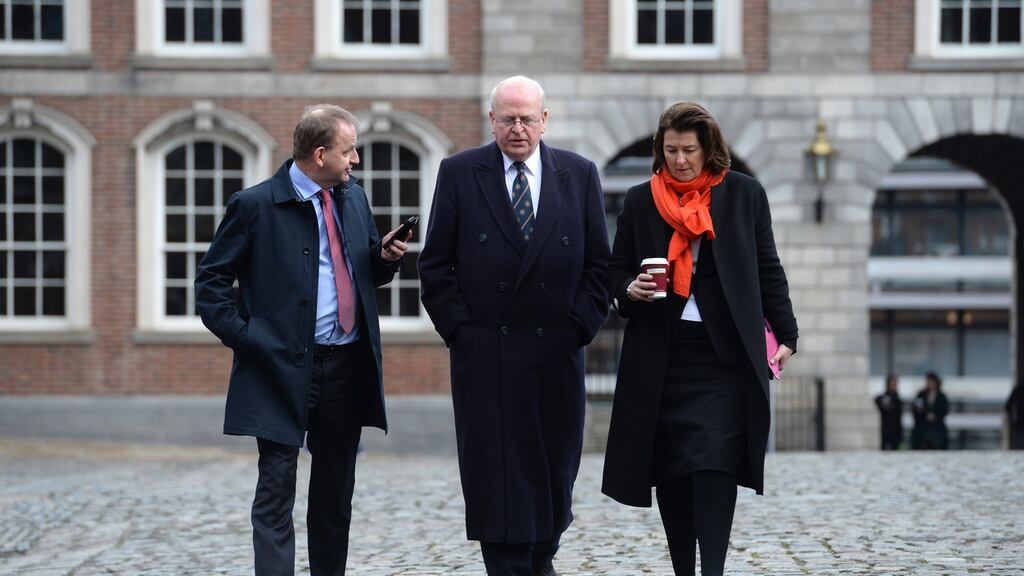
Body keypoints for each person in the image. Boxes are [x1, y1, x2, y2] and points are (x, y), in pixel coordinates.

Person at [195, 104, 411, 575]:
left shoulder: (354, 197)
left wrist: (385, 258)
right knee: (275, 493)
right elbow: (210, 286)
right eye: (349, 150)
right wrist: (250, 339)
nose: (356, 159)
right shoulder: (253, 206)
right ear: (319, 154)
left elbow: (361, 270)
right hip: (277, 369)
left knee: (334, 498)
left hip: (345, 368)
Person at [418, 76, 610, 576]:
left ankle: (542, 558)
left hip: (556, 353)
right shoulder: (460, 172)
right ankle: (507, 566)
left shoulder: (579, 173)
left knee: (554, 469)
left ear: (544, 121)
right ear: (492, 121)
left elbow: (599, 266)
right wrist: (463, 333)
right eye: (508, 119)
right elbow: (435, 267)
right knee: (495, 476)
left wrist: (579, 327)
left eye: (527, 119)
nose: (517, 128)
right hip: (488, 357)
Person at [600, 102, 798, 576]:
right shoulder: (641, 200)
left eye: (689, 150)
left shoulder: (744, 194)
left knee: (714, 464)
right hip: (662, 357)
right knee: (672, 469)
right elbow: (614, 270)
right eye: (671, 150)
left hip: (724, 357)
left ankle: (712, 570)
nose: (680, 160)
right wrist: (629, 289)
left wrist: (787, 332)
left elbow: (767, 267)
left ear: (708, 148)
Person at [911, 371, 949, 450]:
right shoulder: (921, 395)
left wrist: (935, 416)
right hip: (923, 429)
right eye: (928, 381)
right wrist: (924, 414)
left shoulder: (941, 396)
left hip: (937, 429)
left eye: (931, 381)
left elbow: (944, 411)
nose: (930, 383)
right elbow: (915, 409)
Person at [874, 374, 904, 450]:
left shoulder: (898, 399)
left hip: (896, 432)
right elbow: (877, 401)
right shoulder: (883, 398)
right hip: (886, 432)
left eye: (895, 383)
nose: (894, 385)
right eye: (892, 383)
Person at [1007, 380, 1024, 449]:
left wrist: (1013, 419)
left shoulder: (1018, 389)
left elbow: (1008, 407)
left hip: (1019, 423)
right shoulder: (1018, 390)